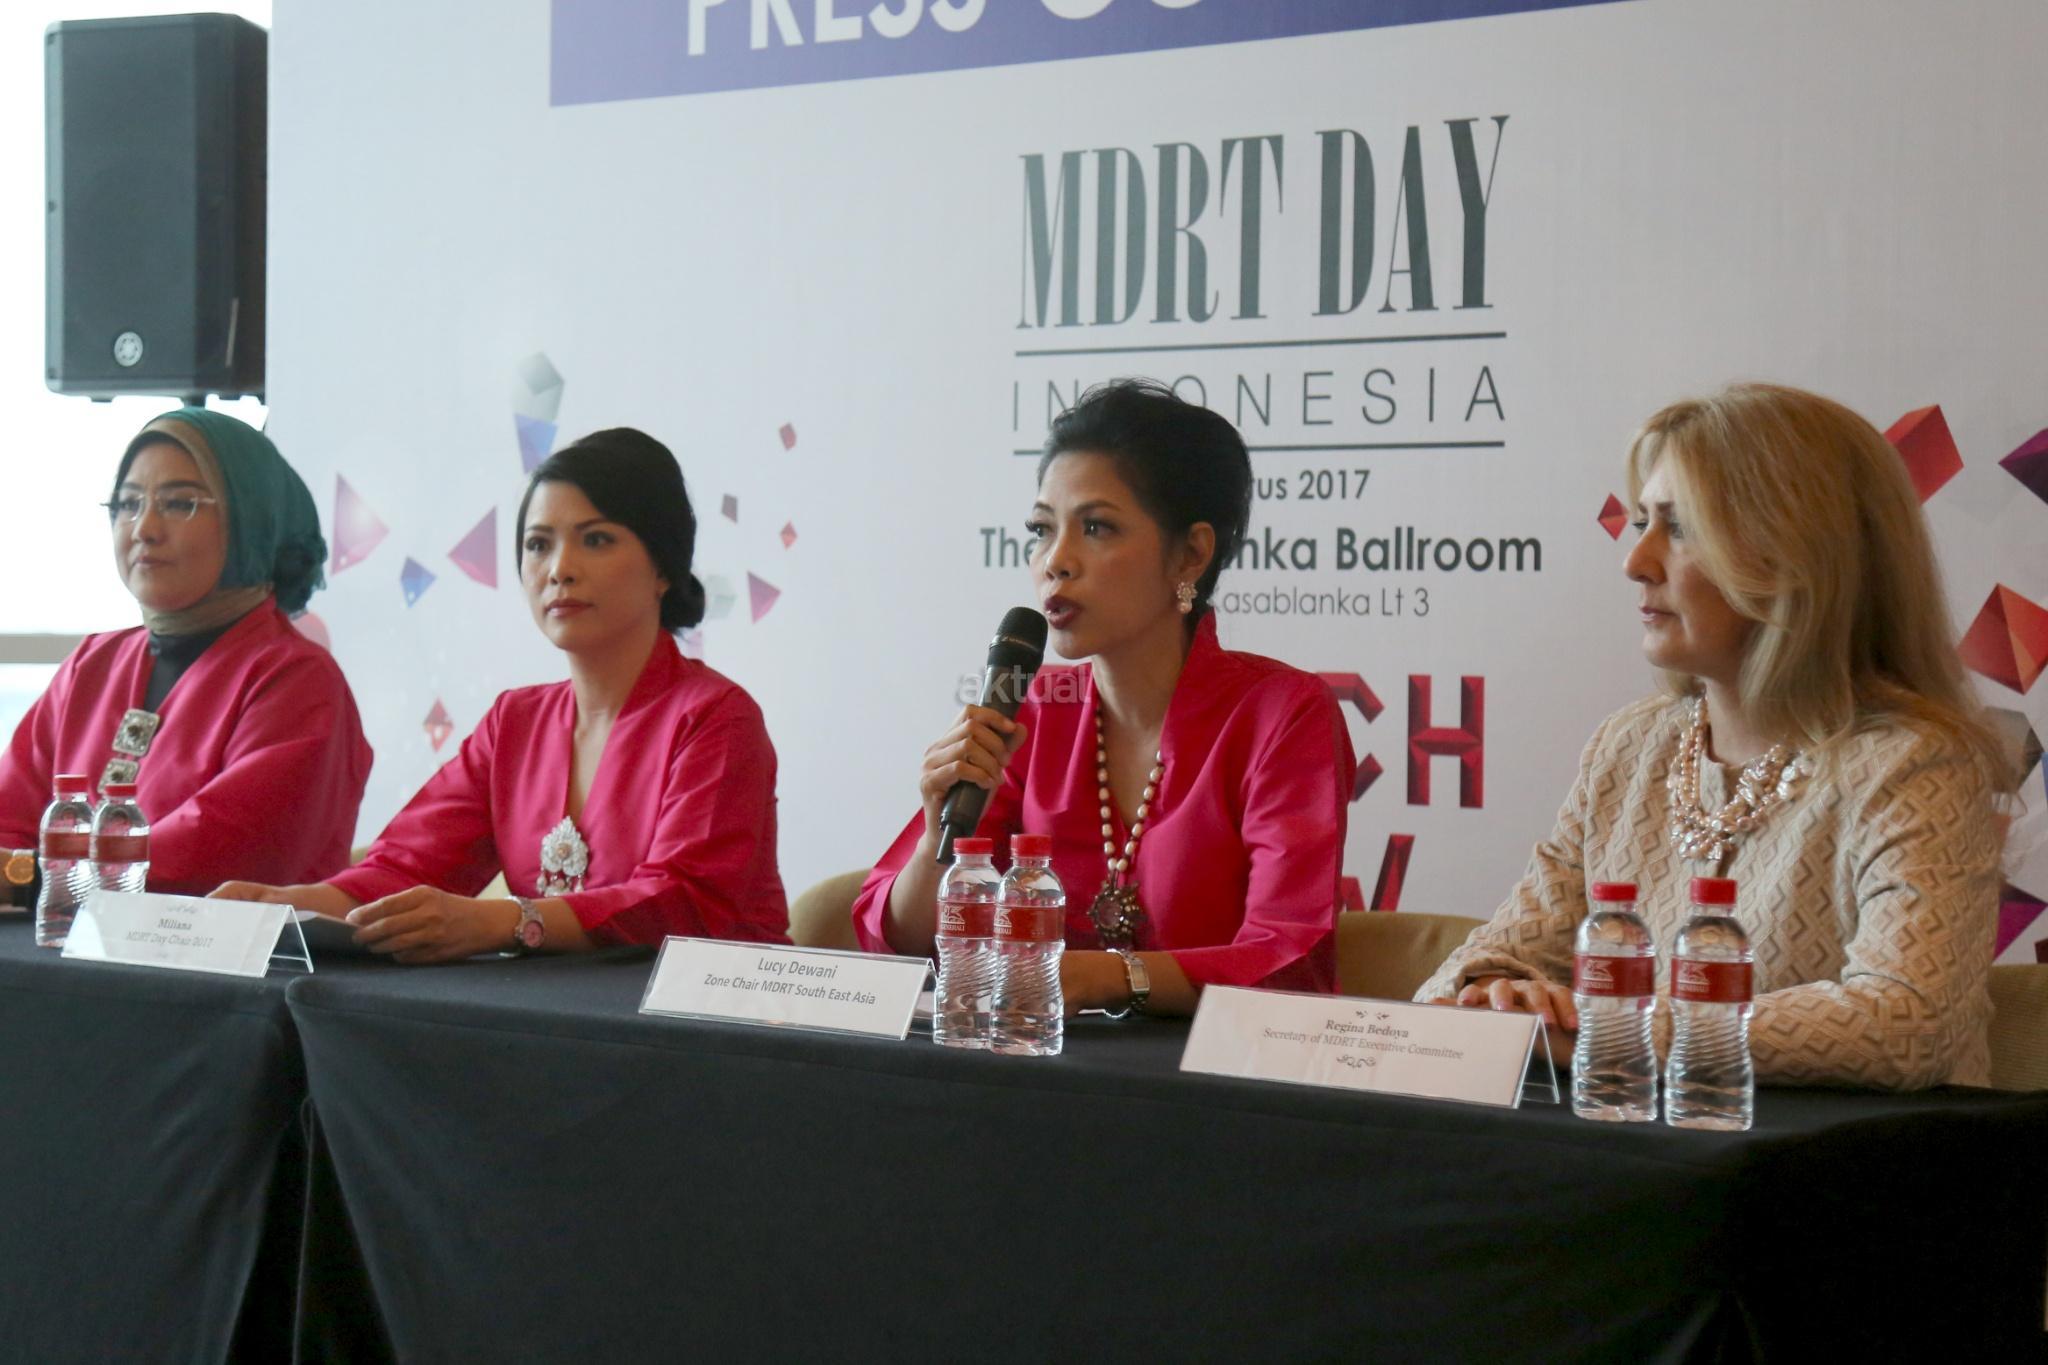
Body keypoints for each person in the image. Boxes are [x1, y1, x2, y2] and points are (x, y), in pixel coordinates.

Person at [1417, 383, 2010, 1088]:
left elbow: (1908, 1022)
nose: (1634, 562)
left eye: (1679, 527)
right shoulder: (1631, 745)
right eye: (1642, 521)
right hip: (1638, 1142)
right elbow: (1483, 965)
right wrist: (1494, 996)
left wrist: (1612, 1026)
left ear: (1798, 556)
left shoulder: (1915, 764)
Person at [852, 380, 1355, 1016]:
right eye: (1042, 529)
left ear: (1191, 554)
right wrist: (937, 839)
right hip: (1039, 1057)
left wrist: (1110, 977)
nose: (1055, 561)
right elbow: (895, 940)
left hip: (1218, 1069)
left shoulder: (1282, 714)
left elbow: (1289, 959)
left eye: (1096, 527)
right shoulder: (1034, 708)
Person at [216, 428, 788, 961]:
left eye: (596, 540)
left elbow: (683, 903)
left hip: (715, 1019)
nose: (560, 569)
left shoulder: (716, 718)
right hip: (555, 1013)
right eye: (538, 545)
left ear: (663, 566)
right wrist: (285, 906)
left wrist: (507, 921)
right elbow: (407, 866)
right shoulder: (515, 721)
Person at [0, 408, 370, 898]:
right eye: (128, 504)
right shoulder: (93, 663)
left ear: (251, 518)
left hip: (221, 949)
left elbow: (217, 851)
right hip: (55, 941)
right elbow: (10, 815)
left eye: (179, 504)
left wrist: (33, 877)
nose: (144, 528)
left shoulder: (297, 679)